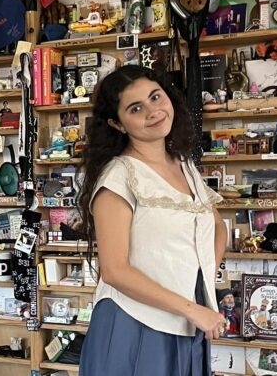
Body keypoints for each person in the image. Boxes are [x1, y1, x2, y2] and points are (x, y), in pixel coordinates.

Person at [77, 65, 226, 375]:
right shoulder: (119, 176)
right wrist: (192, 308)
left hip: (187, 320)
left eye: (156, 97)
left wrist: (201, 286)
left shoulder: (183, 164)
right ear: (117, 124)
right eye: (136, 108)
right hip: (135, 325)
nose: (153, 111)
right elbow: (115, 271)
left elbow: (218, 227)